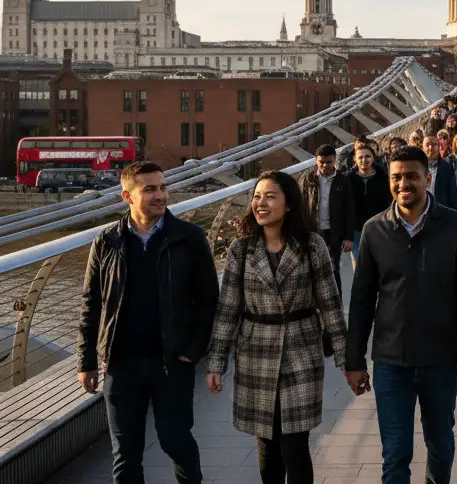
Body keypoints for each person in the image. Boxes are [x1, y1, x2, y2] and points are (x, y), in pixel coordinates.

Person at [346, 146, 457, 484]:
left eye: (411, 176)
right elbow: (362, 300)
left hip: (441, 359)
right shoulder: (374, 230)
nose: (403, 183)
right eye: (396, 177)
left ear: (428, 178)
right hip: (391, 361)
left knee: (441, 447)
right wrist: (354, 360)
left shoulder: (454, 226)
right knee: (395, 455)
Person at [77, 161, 219, 484]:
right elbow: (90, 304)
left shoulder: (190, 238)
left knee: (175, 442)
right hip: (121, 365)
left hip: (171, 363)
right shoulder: (106, 242)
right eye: (150, 189)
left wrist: (194, 350)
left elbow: (209, 300)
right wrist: (86, 360)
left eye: (163, 187)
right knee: (125, 455)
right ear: (127, 196)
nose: (161, 195)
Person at [206, 171, 348, 484]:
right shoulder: (241, 250)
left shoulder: (312, 247)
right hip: (255, 352)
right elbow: (227, 310)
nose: (261, 203)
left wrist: (346, 358)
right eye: (257, 197)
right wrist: (216, 362)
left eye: (270, 196)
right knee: (267, 445)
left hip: (301, 350)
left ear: (288, 204)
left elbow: (330, 304)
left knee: (295, 445)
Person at [299, 144, 354, 291]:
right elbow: (302, 205)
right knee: (311, 270)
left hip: (333, 232)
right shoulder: (308, 179)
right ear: (316, 161)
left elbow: (349, 209)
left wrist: (348, 237)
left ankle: (337, 307)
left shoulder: (343, 181)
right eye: (321, 162)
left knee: (332, 269)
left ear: (334, 161)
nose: (324, 165)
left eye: (328, 162)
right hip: (313, 231)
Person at [348, 140, 391, 262]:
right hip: (356, 230)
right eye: (360, 157)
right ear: (355, 159)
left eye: (367, 156)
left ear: (373, 158)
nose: (364, 160)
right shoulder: (349, 179)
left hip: (379, 227)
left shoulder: (383, 177)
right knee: (360, 264)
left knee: (379, 262)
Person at [423, 135, 457, 210]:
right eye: (427, 145)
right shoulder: (416, 167)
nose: (430, 148)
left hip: (440, 211)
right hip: (420, 211)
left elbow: (452, 195)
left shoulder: (447, 168)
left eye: (434, 145)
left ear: (439, 147)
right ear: (422, 147)